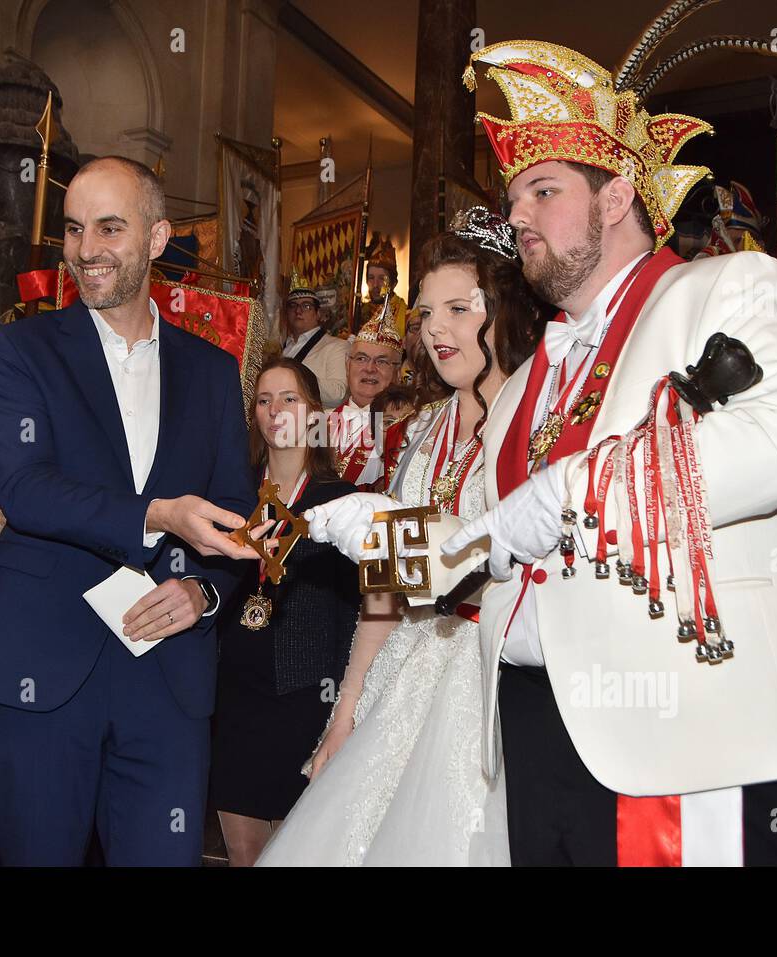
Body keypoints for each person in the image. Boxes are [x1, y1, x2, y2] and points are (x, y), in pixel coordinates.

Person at [435, 39, 777, 865]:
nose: (516, 216)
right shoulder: (521, 384)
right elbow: (484, 541)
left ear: (617, 193)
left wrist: (572, 491)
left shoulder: (737, 285)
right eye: (514, 198)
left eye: (542, 191)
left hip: (689, 725)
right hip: (532, 723)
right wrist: (368, 540)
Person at [0, 156, 256, 867]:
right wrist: (161, 515)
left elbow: (234, 511)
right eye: (74, 228)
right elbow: (27, 489)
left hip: (168, 673)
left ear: (156, 238)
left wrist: (205, 590)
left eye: (110, 228)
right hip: (45, 665)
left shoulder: (212, 370)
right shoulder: (21, 350)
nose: (87, 250)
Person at [258, 208, 543, 865]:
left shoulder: (541, 418)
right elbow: (384, 588)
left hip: (494, 680)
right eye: (426, 311)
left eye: (458, 308)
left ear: (508, 307)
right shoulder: (425, 428)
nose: (436, 328)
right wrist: (347, 707)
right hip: (404, 669)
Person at [209, 357, 358, 866]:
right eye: (264, 400)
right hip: (232, 693)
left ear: (315, 413)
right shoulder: (230, 496)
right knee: (242, 854)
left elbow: (357, 614)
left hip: (304, 695)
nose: (275, 411)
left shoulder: (342, 502)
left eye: (289, 398)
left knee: (293, 853)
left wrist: (345, 709)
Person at [331, 314, 403, 487]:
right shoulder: (320, 424)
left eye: (382, 361)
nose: (370, 369)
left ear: (398, 373)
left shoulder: (405, 430)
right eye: (361, 359)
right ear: (348, 366)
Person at [280, 269, 349, 407]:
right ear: (286, 313)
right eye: (293, 305)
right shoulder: (282, 347)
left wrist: (294, 379)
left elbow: (338, 394)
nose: (298, 311)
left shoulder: (337, 346)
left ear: (318, 313)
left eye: (306, 306)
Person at [359, 233, 407, 339]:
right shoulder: (360, 312)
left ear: (394, 283)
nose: (375, 285)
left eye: (382, 279)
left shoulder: (405, 315)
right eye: (371, 278)